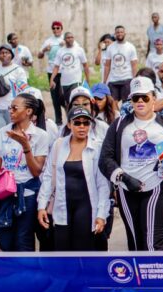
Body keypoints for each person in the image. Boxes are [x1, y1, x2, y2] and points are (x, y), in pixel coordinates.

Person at [99, 77, 163, 251]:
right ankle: (139, 271)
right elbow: (105, 159)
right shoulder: (119, 125)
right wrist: (123, 178)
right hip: (127, 190)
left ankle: (155, 270)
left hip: (160, 189)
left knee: (153, 245)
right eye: (136, 98)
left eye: (145, 97)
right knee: (135, 243)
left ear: (154, 98)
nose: (140, 101)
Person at [0, 92, 50, 252]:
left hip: (27, 194)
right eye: (10, 108)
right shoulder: (3, 132)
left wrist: (26, 146)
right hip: (5, 193)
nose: (10, 111)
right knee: (5, 241)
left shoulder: (40, 135)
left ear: (28, 111)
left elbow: (36, 171)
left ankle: (26, 269)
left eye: (14, 108)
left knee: (23, 240)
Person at [38, 107, 110, 251]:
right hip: (61, 207)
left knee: (83, 251)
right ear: (69, 125)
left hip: (86, 208)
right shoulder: (59, 145)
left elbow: (103, 185)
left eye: (86, 123)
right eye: (77, 123)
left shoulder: (96, 147)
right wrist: (41, 206)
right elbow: (48, 176)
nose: (82, 127)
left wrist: (101, 214)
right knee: (62, 251)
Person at [0, 45, 29, 131]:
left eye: (7, 52)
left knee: (14, 134)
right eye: (1, 53)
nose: (4, 54)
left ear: (11, 55)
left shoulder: (18, 70)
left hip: (13, 109)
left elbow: (23, 90)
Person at [37, 21, 65, 124]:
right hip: (51, 72)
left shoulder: (66, 39)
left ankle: (69, 114)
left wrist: (65, 45)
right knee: (54, 96)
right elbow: (39, 56)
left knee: (63, 96)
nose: (56, 30)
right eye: (54, 28)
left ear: (61, 29)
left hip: (64, 71)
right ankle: (58, 121)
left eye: (58, 28)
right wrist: (44, 50)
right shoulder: (48, 41)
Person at [103, 25, 139, 102]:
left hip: (127, 79)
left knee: (126, 103)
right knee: (113, 103)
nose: (120, 34)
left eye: (121, 32)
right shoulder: (110, 48)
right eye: (118, 32)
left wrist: (135, 79)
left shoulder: (130, 47)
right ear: (115, 34)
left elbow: (134, 65)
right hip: (113, 80)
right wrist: (104, 81)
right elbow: (107, 65)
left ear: (125, 33)